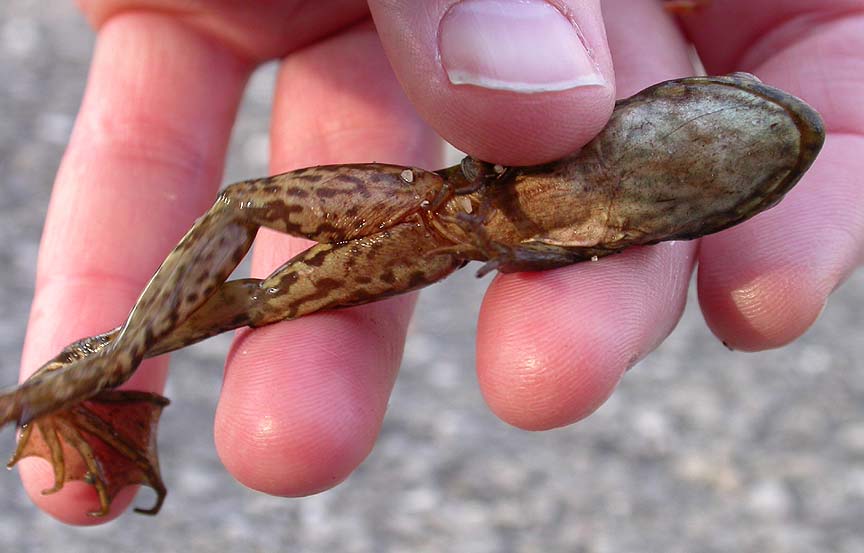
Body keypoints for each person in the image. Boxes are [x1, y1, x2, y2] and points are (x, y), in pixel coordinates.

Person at [17, 0, 861, 524]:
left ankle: (77, 384)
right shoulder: (683, 168)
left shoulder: (681, 167)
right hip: (447, 203)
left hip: (450, 222)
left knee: (261, 295)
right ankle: (83, 378)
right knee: (257, 278)